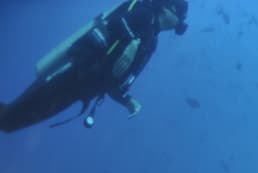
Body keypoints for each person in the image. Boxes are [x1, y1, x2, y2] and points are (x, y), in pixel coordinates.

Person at [0, 0, 188, 133]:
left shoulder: (151, 44)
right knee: (12, 113)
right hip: (75, 71)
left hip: (84, 91)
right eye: (180, 16)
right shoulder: (144, 13)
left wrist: (128, 101)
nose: (180, 23)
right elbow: (116, 21)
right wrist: (132, 42)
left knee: (12, 123)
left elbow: (119, 81)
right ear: (168, 8)